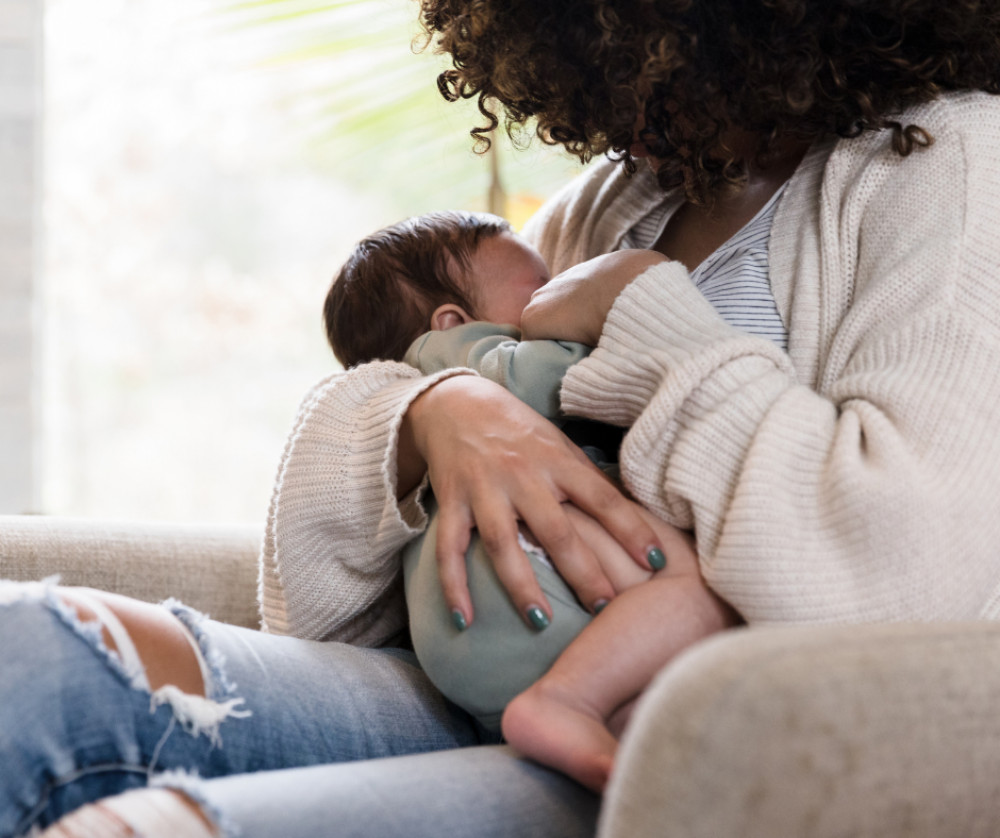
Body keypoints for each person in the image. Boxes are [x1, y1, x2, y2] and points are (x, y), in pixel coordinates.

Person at [6, 1, 1000, 836]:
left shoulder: (950, 163)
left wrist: (642, 305)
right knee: (37, 655)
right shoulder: (620, 195)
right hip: (480, 692)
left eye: (639, 73)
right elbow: (315, 597)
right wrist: (437, 410)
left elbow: (901, 578)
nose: (612, 120)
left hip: (688, 744)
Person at [322, 208, 737, 789]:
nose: (554, 297)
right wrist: (611, 305)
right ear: (452, 321)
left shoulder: (429, 382)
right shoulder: (465, 359)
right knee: (700, 588)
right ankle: (564, 700)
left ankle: (577, 719)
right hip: (517, 587)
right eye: (541, 289)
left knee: (641, 738)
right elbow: (559, 376)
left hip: (463, 636)